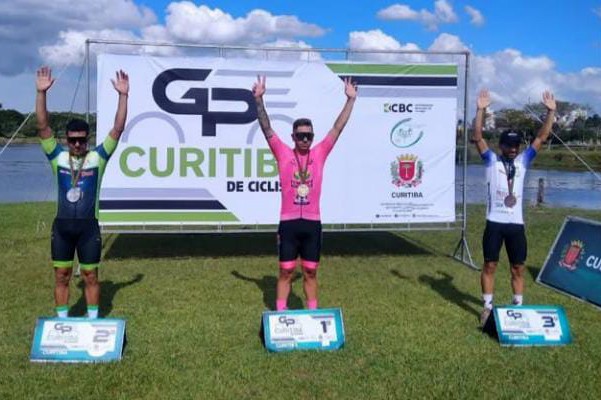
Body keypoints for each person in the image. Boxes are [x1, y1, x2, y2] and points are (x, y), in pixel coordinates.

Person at [252, 75, 357, 311]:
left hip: (312, 224)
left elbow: (337, 128)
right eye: (300, 135)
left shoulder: (319, 153)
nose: (305, 139)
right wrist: (258, 100)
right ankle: (280, 313)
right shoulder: (283, 153)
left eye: (309, 135)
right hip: (289, 224)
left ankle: (313, 313)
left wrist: (350, 100)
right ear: (293, 137)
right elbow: (267, 128)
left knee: (310, 271)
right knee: (286, 271)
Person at [36, 66, 129, 318]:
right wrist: (41, 93)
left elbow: (118, 128)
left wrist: (123, 96)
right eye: (72, 140)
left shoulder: (98, 158)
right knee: (61, 275)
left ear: (87, 139)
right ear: (66, 140)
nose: (77, 144)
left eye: (81, 139)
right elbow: (43, 127)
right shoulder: (57, 157)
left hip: (88, 228)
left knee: (90, 275)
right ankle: (62, 321)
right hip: (62, 227)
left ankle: (93, 321)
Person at [472, 89, 556, 326]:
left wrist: (550, 112)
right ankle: (487, 308)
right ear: (501, 145)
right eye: (509, 145)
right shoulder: (491, 160)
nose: (513, 149)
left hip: (516, 225)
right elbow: (477, 136)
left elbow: (542, 137)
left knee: (518, 268)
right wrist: (480, 110)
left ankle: (518, 307)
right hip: (495, 223)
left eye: (516, 145)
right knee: (490, 265)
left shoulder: (523, 161)